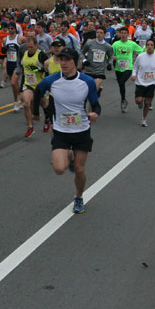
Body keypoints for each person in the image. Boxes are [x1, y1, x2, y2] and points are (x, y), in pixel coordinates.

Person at [35, 47, 101, 214]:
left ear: (76, 62)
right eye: (61, 59)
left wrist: (95, 113)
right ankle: (69, 155)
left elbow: (96, 103)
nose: (63, 63)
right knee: (59, 169)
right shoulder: (51, 80)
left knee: (79, 169)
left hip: (81, 131)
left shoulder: (87, 81)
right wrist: (38, 110)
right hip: (61, 131)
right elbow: (37, 91)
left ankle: (78, 196)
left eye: (67, 60)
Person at [18, 34, 49, 137]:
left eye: (32, 47)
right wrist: (21, 84)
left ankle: (47, 119)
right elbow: (24, 70)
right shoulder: (25, 54)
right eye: (28, 47)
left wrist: (38, 69)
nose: (30, 49)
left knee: (43, 104)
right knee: (26, 103)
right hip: (28, 84)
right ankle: (30, 127)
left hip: (39, 85)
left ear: (36, 46)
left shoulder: (41, 55)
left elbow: (47, 69)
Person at [131, 38, 155, 127]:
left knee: (147, 103)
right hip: (140, 82)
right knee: (138, 100)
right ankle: (140, 103)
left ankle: (143, 119)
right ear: (146, 46)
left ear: (154, 47)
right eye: (148, 45)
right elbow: (135, 67)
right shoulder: (140, 56)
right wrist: (134, 75)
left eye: (151, 45)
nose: (149, 47)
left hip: (152, 82)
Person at [111, 26, 141, 112]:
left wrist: (138, 55)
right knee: (121, 85)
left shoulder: (132, 44)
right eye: (122, 33)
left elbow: (141, 50)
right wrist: (113, 57)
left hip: (128, 67)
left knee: (121, 82)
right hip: (118, 67)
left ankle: (124, 100)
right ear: (119, 34)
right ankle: (123, 99)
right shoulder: (115, 44)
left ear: (128, 34)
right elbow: (109, 53)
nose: (123, 35)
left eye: (125, 33)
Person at [80, 25, 114, 97]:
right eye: (97, 32)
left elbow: (111, 56)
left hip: (99, 71)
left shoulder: (108, 46)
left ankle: (97, 90)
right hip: (89, 70)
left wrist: (110, 64)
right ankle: (99, 89)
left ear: (104, 34)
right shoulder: (89, 43)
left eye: (101, 33)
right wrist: (84, 60)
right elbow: (81, 52)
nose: (99, 34)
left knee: (93, 92)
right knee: (86, 92)